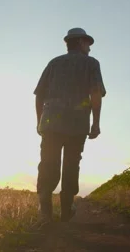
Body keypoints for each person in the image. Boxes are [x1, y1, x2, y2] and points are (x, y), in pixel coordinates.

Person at [32, 27, 106, 229]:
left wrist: (40, 121)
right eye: (88, 44)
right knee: (72, 165)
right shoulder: (91, 63)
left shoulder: (54, 63)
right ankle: (66, 211)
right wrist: (96, 123)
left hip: (51, 123)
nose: (89, 48)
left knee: (48, 164)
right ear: (81, 42)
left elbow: (39, 95)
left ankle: (45, 213)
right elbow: (96, 94)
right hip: (77, 123)